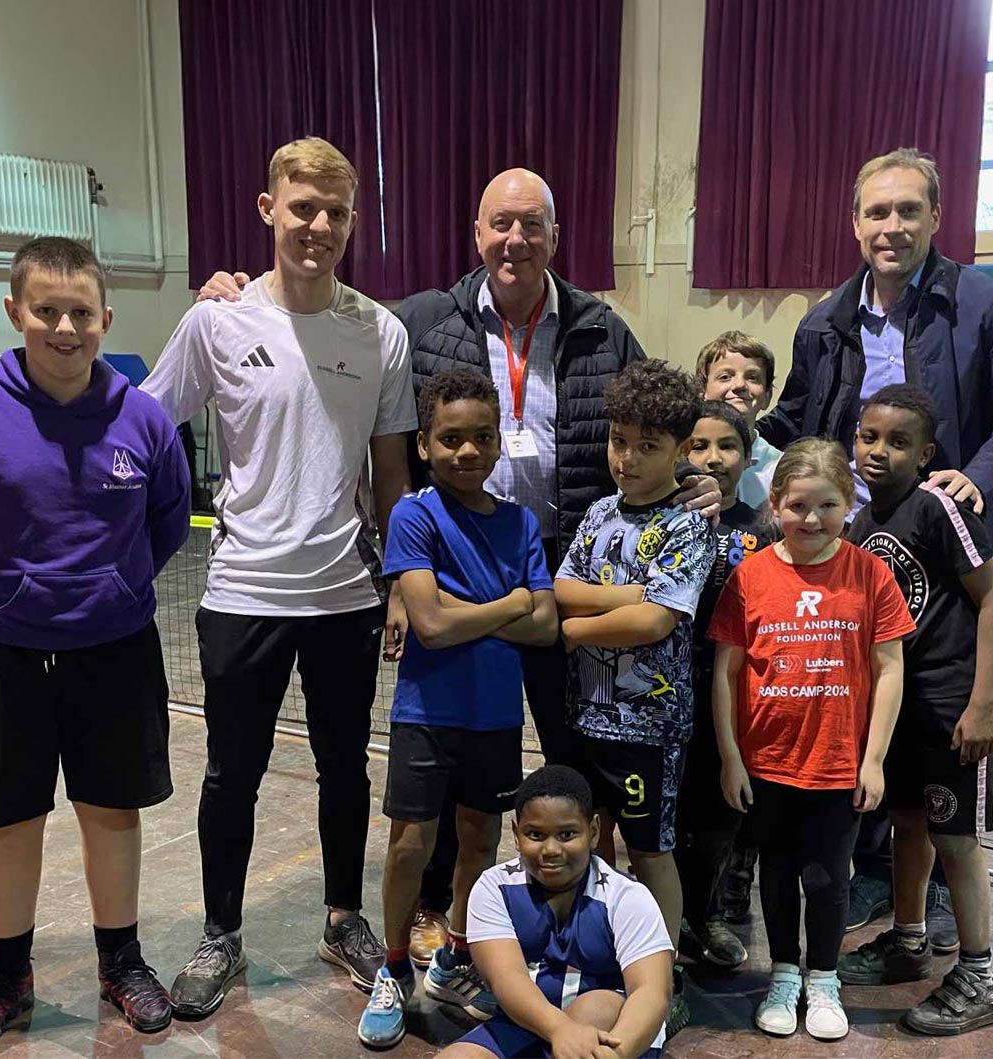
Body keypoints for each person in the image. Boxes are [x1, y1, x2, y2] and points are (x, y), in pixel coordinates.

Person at [196, 169, 722, 963]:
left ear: (554, 236)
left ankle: (572, 918)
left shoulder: (600, 328)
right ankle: (440, 919)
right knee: (449, 764)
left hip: (562, 568)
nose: (516, 240)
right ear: (476, 234)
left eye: (532, 225)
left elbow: (652, 419)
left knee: (568, 758)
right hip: (450, 566)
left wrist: (700, 471)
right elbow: (355, 379)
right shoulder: (419, 322)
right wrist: (236, 292)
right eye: (500, 224)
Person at [0, 237, 191, 1056]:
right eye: (46, 311)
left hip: (115, 649)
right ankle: (6, 976)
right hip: (1, 652)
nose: (65, 327)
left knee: (111, 811)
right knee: (10, 819)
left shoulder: (142, 417)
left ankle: (121, 961)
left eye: (81, 312)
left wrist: (114, 587)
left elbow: (167, 519)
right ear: (15, 312)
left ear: (106, 316)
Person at [147, 137, 415, 1014]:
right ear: (269, 211)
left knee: (348, 771)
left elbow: (390, 475)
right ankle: (221, 932)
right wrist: (17, 389)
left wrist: (402, 579)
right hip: (243, 594)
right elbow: (143, 425)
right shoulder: (216, 321)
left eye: (337, 212)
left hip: (344, 592)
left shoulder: (380, 331)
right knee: (233, 773)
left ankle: (343, 917)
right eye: (304, 208)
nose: (321, 226)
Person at [757, 147, 993, 936]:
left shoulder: (986, 307)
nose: (892, 226)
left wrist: (972, 479)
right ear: (855, 223)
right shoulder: (823, 323)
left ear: (936, 218)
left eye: (907, 210)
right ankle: (881, 877)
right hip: (853, 557)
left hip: (947, 556)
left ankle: (946, 893)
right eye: (877, 212)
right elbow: (792, 425)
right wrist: (724, 434)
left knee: (942, 723)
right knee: (867, 715)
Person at [358, 368, 558, 1048]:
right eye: (451, 439)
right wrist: (507, 605)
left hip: (497, 715)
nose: (467, 452)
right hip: (426, 711)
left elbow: (547, 625)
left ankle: (456, 956)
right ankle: (391, 968)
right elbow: (432, 625)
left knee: (480, 839)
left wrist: (457, 608)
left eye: (480, 438)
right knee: (411, 844)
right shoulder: (414, 513)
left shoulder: (521, 521)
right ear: (424, 444)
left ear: (497, 444)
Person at [706, 438, 911, 1042]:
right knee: (776, 874)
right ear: (774, 506)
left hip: (838, 761)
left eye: (826, 505)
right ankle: (785, 975)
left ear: (849, 505)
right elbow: (726, 671)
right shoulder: (750, 577)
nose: (812, 519)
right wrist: (730, 758)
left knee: (827, 880)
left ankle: (824, 979)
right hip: (767, 761)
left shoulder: (869, 574)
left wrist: (872, 759)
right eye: (798, 506)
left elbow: (890, 668)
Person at [837, 385, 993, 1034]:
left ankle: (978, 976)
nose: (879, 451)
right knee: (908, 822)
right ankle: (907, 943)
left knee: (954, 837)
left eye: (898, 441)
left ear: (926, 452)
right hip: (899, 708)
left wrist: (983, 703)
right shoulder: (858, 521)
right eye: (869, 436)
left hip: (949, 705)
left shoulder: (939, 507)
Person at [552, 359, 712, 1036]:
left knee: (651, 852)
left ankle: (661, 974)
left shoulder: (686, 522)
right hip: (587, 716)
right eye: (620, 440)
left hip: (649, 725)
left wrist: (576, 629)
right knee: (598, 847)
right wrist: (627, 595)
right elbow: (564, 583)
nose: (628, 457)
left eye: (647, 445)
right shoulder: (597, 514)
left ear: (680, 448)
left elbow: (655, 622)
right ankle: (604, 960)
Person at [438, 765, 674, 1059]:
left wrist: (614, 1055)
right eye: (535, 834)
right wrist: (560, 1029)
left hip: (614, 1034)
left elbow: (652, 992)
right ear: (516, 833)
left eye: (567, 834)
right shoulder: (494, 887)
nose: (551, 849)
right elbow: (506, 978)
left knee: (597, 1006)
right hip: (529, 1022)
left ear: (594, 831)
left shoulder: (627, 897)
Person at [672, 401, 777, 973]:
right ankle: (658, 917)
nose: (712, 458)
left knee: (718, 814)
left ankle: (704, 915)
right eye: (698, 445)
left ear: (747, 453)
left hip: (732, 694)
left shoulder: (763, 530)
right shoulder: (663, 516)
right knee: (670, 813)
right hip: (665, 690)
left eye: (727, 446)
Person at [694, 331, 782, 510]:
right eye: (725, 377)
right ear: (702, 392)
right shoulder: (680, 458)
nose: (739, 385)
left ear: (767, 396)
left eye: (752, 377)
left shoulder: (782, 468)